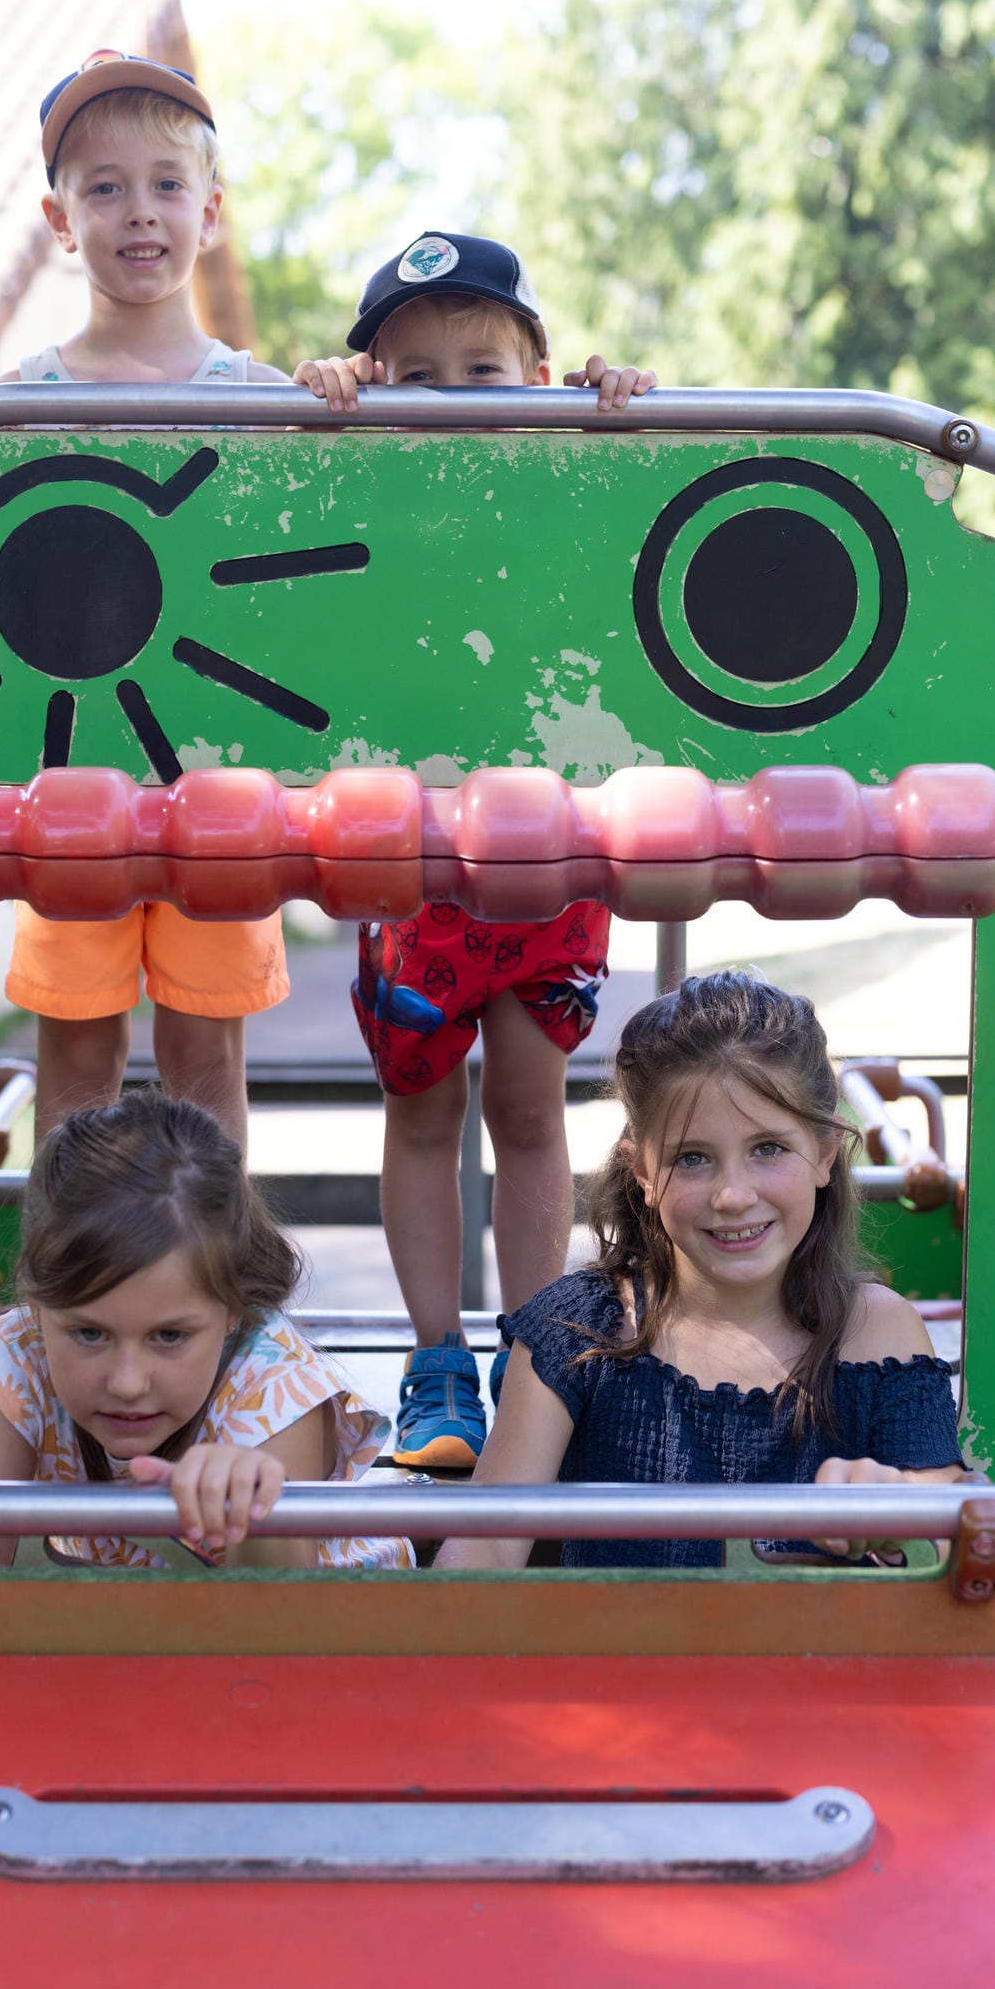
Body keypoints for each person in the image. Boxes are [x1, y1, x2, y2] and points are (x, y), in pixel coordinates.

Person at [293, 232, 656, 1470]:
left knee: (531, 1105)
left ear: (540, 371)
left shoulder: (564, 467)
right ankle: (436, 1353)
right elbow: (289, 517)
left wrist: (619, 409)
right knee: (418, 1110)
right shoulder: (366, 478)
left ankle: (526, 1349)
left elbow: (648, 516)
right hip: (415, 862)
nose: (448, 399)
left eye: (483, 370)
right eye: (413, 375)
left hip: (549, 857)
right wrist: (325, 406)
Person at [0, 51, 292, 1143]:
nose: (138, 211)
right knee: (77, 1049)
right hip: (72, 769)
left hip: (217, 774)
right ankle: (65, 1294)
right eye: (104, 186)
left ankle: (209, 1294)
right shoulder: (9, 406)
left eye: (166, 184)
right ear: (60, 219)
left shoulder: (266, 399)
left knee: (205, 1046)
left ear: (208, 213)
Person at [434, 972, 968, 1570]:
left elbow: (947, 1534)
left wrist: (896, 1505)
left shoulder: (877, 1332)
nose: (733, 1195)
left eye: (768, 1148)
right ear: (640, 1170)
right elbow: (485, 1542)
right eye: (693, 1158)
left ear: (823, 1153)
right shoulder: (576, 1332)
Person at [0, 1089, 410, 1572]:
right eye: (89, 1334)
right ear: (36, 1300)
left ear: (234, 1305)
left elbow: (278, 1621)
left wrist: (253, 1515)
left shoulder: (275, 1388)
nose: (127, 1383)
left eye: (170, 1337)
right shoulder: (13, 1359)